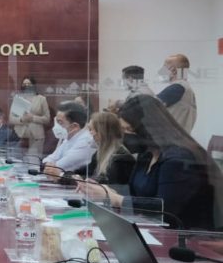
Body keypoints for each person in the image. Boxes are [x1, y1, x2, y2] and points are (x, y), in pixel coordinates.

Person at [77, 95, 216, 229]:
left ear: (148, 129)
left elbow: (165, 209)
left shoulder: (178, 159)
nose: (125, 136)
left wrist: (116, 199)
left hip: (185, 235)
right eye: (123, 130)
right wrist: (103, 190)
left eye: (129, 129)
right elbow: (134, 193)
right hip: (152, 227)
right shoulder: (147, 155)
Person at [43, 101, 96, 177]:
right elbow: (50, 159)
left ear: (74, 126)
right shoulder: (68, 138)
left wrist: (49, 166)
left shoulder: (85, 142)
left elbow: (59, 166)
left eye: (60, 123)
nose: (56, 126)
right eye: (56, 122)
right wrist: (47, 164)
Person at [85, 111, 134, 185]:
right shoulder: (100, 152)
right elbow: (87, 173)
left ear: (102, 132)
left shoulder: (121, 158)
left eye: (91, 129)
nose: (90, 133)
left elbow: (114, 186)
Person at [8, 76, 51, 160]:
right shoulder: (18, 98)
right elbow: (11, 119)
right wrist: (21, 119)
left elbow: (47, 119)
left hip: (36, 137)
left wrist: (33, 118)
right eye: (24, 84)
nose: (26, 86)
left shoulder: (41, 99)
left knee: (33, 161)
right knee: (17, 160)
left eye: (29, 84)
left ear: (34, 85)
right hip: (20, 135)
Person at [156, 54, 197, 133]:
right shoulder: (186, 89)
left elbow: (147, 106)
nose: (161, 71)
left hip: (169, 138)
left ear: (173, 70)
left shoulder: (177, 88)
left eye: (164, 67)